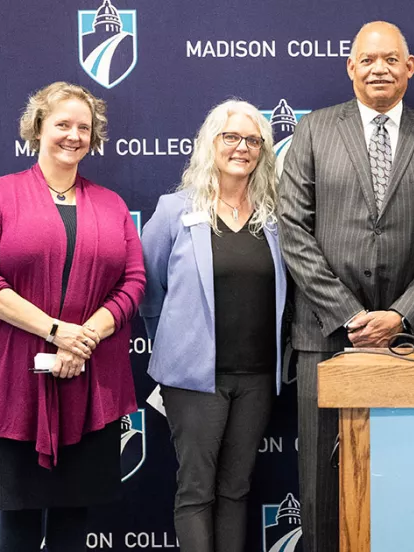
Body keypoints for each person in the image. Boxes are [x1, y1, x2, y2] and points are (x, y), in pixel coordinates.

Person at [278, 20, 414, 552]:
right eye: (367, 59)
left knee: (402, 482)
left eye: (390, 59)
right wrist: (349, 315)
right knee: (321, 486)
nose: (378, 69)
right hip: (325, 338)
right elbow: (294, 230)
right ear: (350, 67)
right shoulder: (313, 130)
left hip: (408, 343)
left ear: (410, 67)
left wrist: (401, 317)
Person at [0, 82, 144, 552]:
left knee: (72, 517)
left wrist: (84, 339)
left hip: (86, 379)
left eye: (84, 127)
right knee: (16, 518)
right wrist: (58, 332)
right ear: (38, 128)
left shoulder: (112, 204)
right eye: (62, 124)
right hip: (8, 379)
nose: (74, 135)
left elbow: (133, 282)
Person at [140, 99, 288, 552]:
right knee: (196, 489)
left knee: (236, 488)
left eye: (253, 140)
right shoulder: (175, 210)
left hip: (257, 377)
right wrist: (176, 344)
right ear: (211, 142)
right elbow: (149, 288)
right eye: (231, 137)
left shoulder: (276, 217)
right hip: (194, 380)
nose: (242, 148)